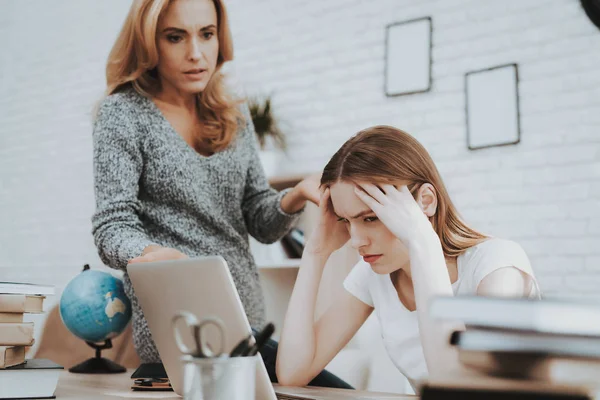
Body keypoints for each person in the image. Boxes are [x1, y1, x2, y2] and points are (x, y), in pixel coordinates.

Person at [91, 0, 350, 388]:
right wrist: (148, 255)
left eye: (206, 34)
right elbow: (112, 226)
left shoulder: (233, 116)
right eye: (175, 37)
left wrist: (295, 195)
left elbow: (259, 220)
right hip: (180, 335)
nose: (196, 53)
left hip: (249, 329)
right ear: (149, 43)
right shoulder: (123, 115)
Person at [276, 125, 541, 391]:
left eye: (371, 217)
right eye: (346, 220)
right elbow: (293, 373)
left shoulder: (497, 266)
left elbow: (459, 390)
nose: (356, 241)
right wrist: (315, 252)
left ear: (425, 201)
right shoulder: (375, 273)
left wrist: (422, 241)